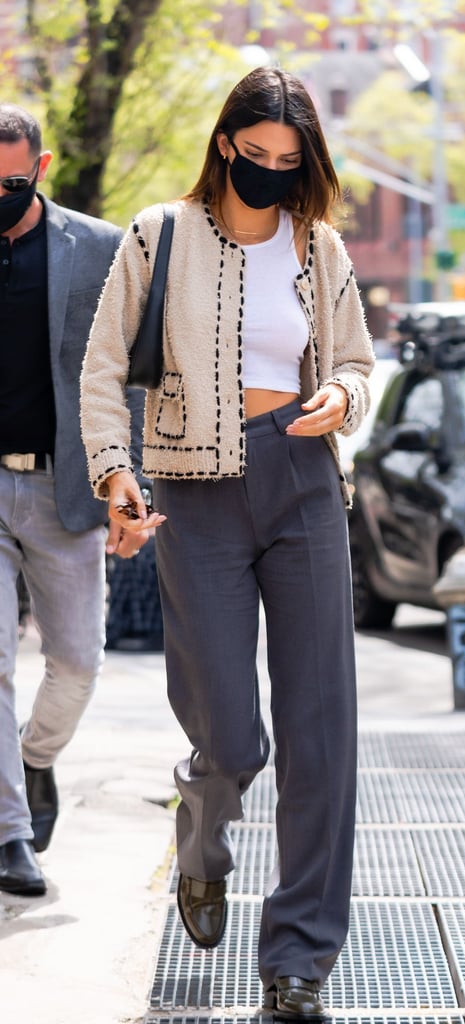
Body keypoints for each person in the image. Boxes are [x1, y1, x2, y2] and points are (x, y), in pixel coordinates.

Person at [80, 67, 373, 1021]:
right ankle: (202, 828)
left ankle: (298, 961)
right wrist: (115, 475)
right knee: (230, 734)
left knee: (321, 736)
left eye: (292, 164)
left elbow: (360, 365)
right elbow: (99, 370)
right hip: (192, 494)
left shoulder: (318, 246)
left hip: (299, 483)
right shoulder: (157, 234)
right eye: (259, 158)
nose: (274, 175)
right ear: (225, 146)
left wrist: (341, 399)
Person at [0, 103, 146, 898]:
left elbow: (130, 381)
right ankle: (9, 835)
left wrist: (130, 485)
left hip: (65, 484)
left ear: (42, 168)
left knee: (77, 662)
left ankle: (33, 760)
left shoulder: (97, 247)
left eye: (11, 181)